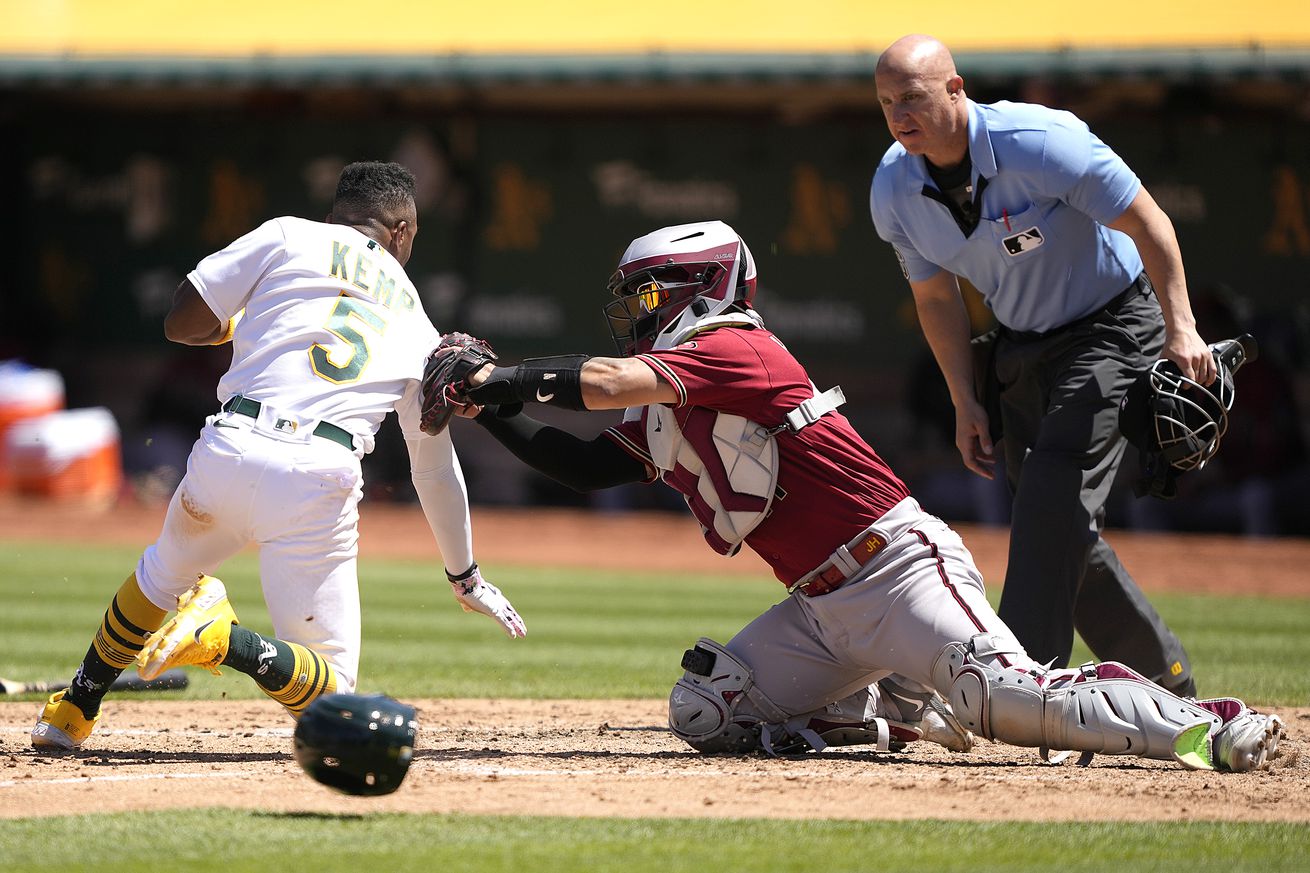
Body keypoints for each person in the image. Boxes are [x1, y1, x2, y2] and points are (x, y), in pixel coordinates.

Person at [431, 219, 1280, 771]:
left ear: (698, 290)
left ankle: (1198, 722)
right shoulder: (675, 395)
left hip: (899, 568)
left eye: (649, 297)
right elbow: (578, 467)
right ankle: (891, 709)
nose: (636, 314)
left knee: (1009, 701)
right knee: (704, 710)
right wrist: (487, 405)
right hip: (820, 607)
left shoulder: (736, 347)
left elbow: (608, 380)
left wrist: (496, 373)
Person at [31, 161, 525, 751]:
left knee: (160, 574)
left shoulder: (289, 233)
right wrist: (464, 574)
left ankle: (73, 711)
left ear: (337, 214)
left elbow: (180, 322)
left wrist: (234, 325)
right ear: (399, 231)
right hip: (317, 473)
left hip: (228, 446)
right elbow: (432, 467)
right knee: (336, 696)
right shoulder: (420, 324)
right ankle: (227, 641)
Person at [869, 34, 1207, 695]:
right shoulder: (893, 187)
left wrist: (1182, 326)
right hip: (1022, 347)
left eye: (912, 97)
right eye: (886, 102)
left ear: (956, 89)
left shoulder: (1043, 139)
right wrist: (965, 399)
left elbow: (1148, 220)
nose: (899, 114)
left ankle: (1019, 682)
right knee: (1051, 521)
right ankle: (1165, 682)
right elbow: (936, 299)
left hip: (1113, 325)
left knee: (1053, 487)